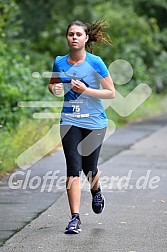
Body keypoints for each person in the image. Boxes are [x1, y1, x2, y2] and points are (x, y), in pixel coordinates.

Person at [48, 20, 115, 234]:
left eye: (78, 34)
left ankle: (96, 190)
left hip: (95, 122)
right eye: (70, 34)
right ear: (67, 38)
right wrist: (55, 88)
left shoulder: (96, 63)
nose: (74, 37)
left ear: (86, 38)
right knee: (72, 170)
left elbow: (110, 92)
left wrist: (86, 90)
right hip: (70, 120)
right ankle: (74, 218)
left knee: (89, 169)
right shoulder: (60, 62)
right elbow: (53, 84)